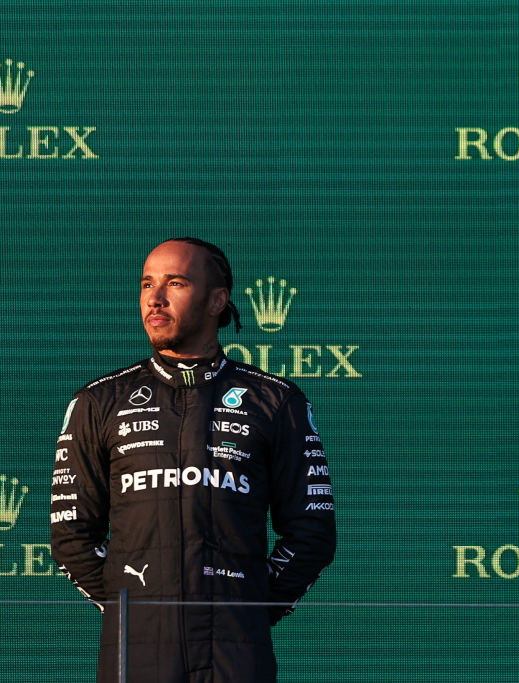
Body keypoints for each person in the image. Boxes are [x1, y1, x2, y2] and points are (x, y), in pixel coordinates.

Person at [50, 238, 336, 682]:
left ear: (217, 301)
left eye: (176, 283)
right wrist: (132, 607)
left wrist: (248, 606)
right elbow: (71, 534)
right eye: (147, 284)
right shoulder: (99, 401)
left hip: (237, 652)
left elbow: (312, 530)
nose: (155, 298)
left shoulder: (276, 401)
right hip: (137, 651)